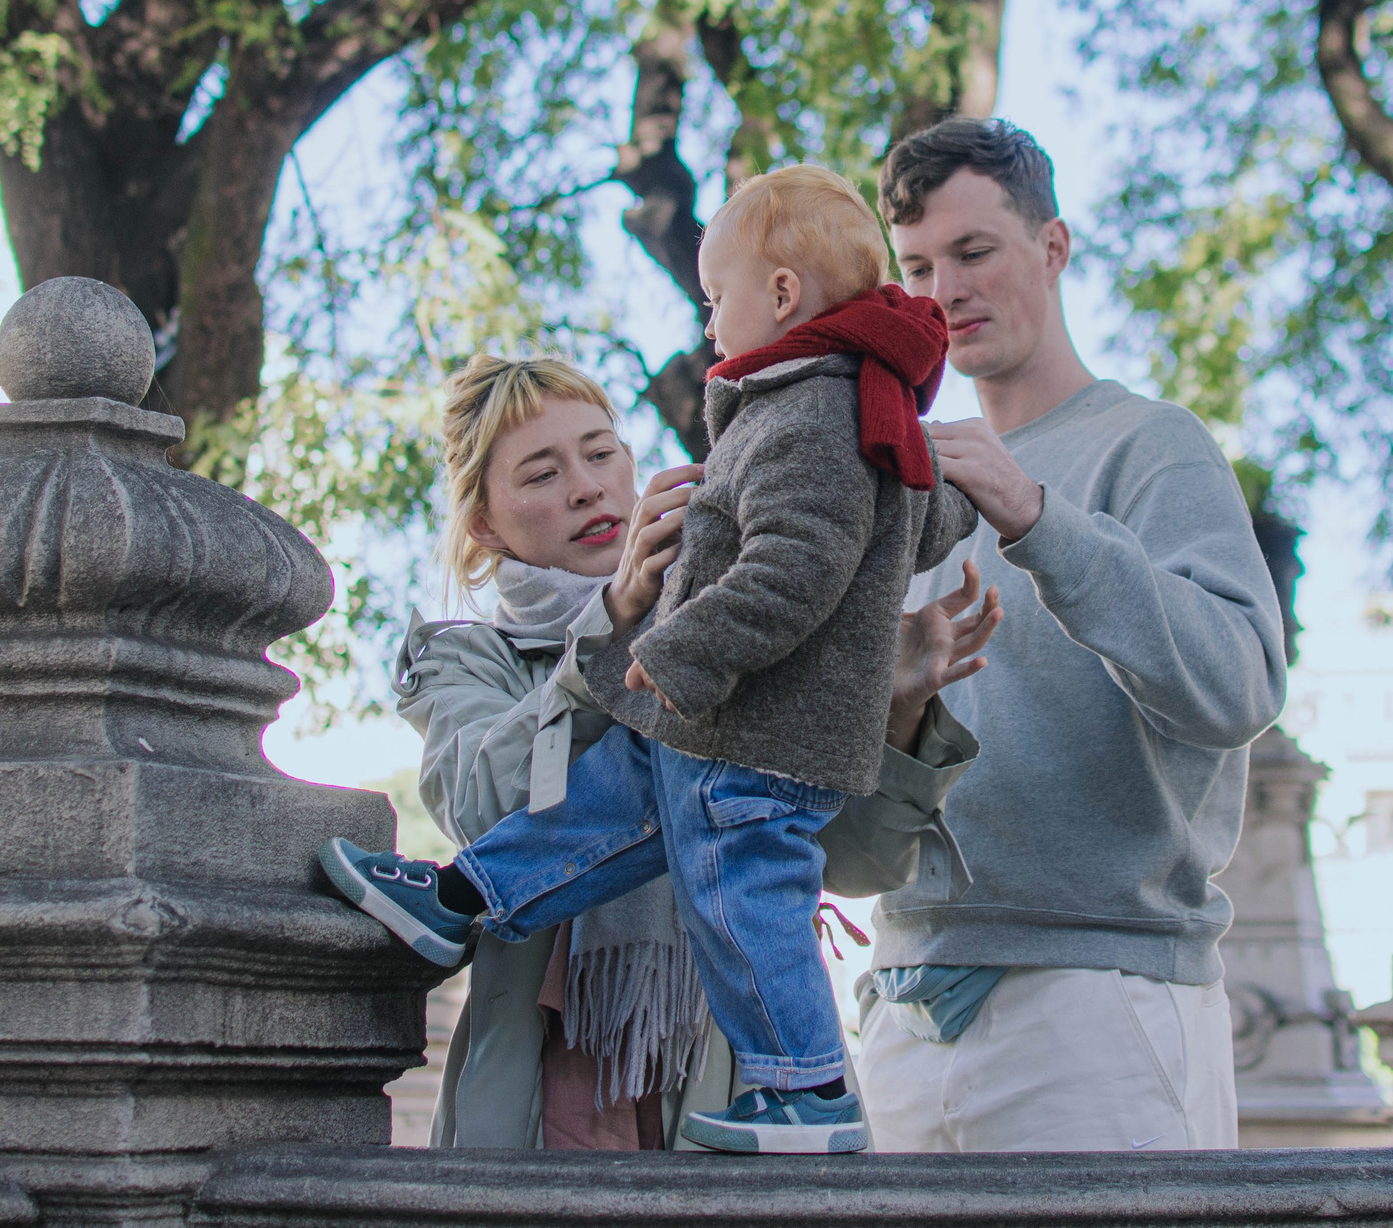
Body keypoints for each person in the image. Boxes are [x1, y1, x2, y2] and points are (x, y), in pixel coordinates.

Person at [323, 165, 983, 1153]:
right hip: (550, 1096)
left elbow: (852, 863)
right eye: (542, 472)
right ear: (483, 522)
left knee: (693, 788)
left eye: (601, 451)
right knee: (640, 771)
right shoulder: (464, 654)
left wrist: (884, 699)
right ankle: (455, 895)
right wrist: (618, 628)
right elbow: (481, 802)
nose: (588, 487)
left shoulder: (730, 590)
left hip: (716, 1084)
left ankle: (797, 1085)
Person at [855, 117, 1287, 1154]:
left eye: (973, 252)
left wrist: (1042, 523)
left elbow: (1237, 691)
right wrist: (900, 707)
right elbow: (855, 839)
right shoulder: (901, 486)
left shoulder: (1153, 447)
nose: (943, 290)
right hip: (901, 1011)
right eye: (915, 266)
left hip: (1100, 1005)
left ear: (1051, 248)